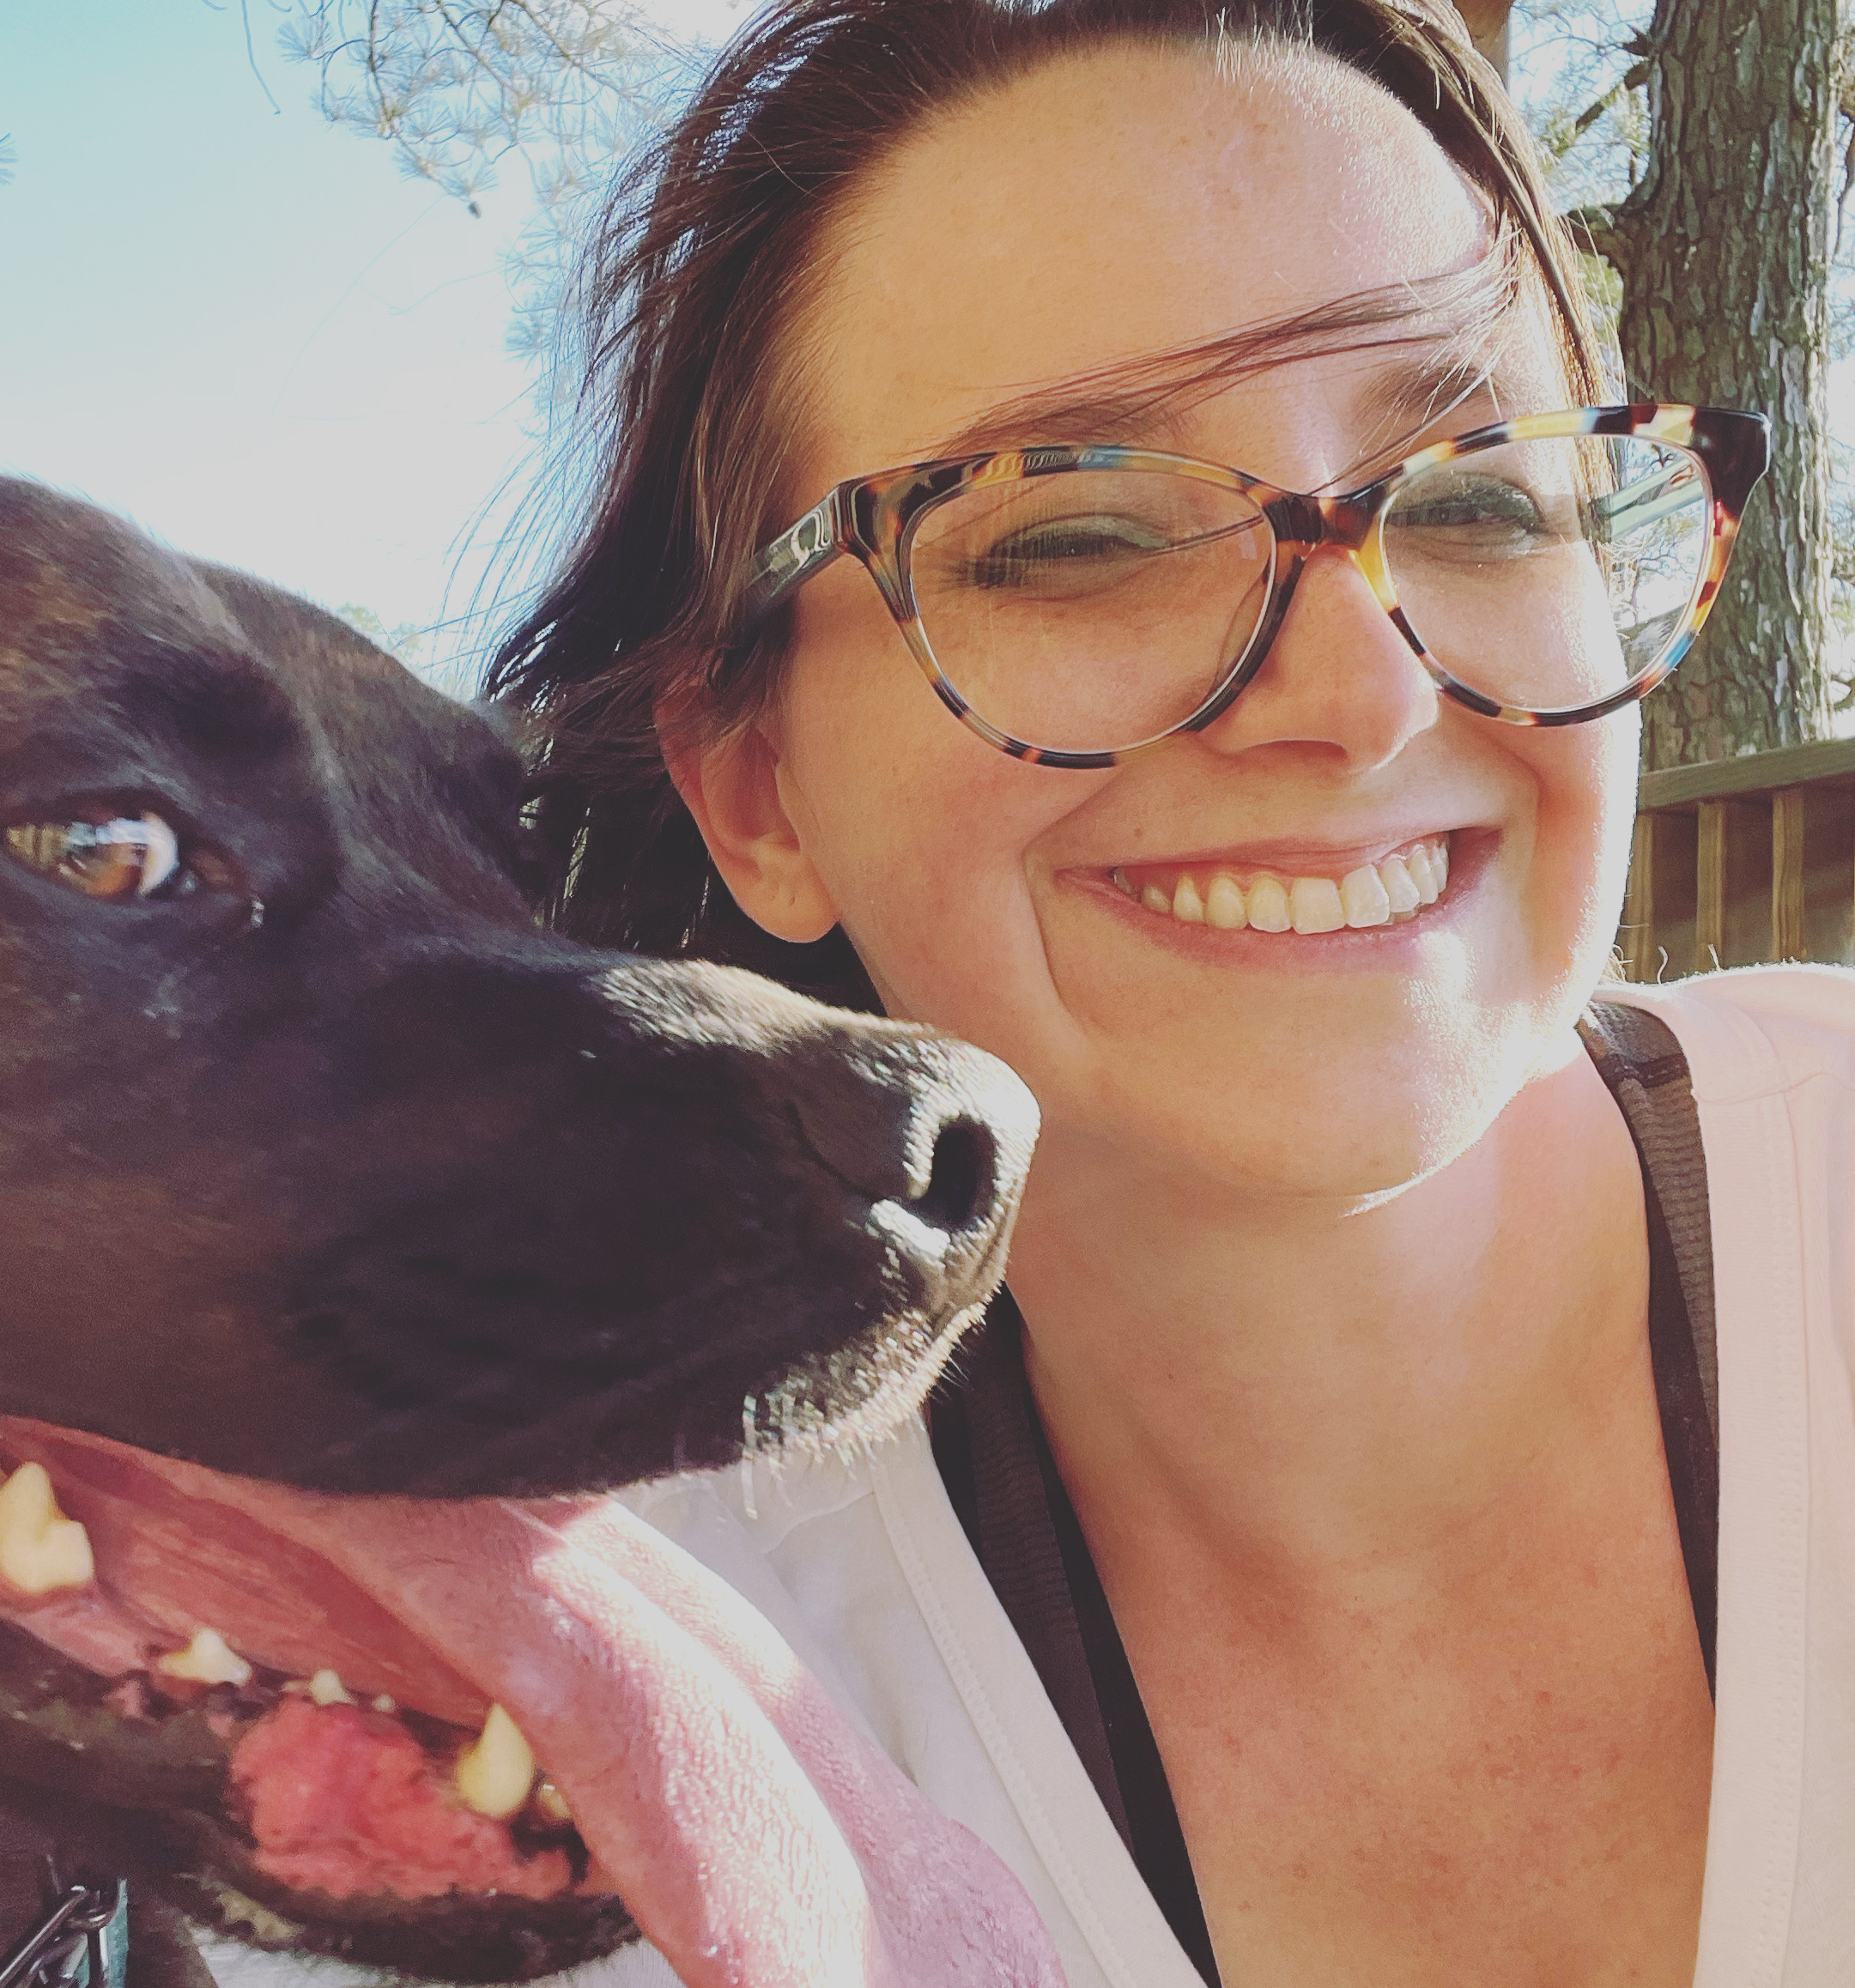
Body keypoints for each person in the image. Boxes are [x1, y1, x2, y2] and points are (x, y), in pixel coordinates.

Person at [488, 3, 1855, 1984]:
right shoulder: (612, 1725)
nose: (1365, 695)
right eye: (1083, 535)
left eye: (1473, 497)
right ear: (757, 786)